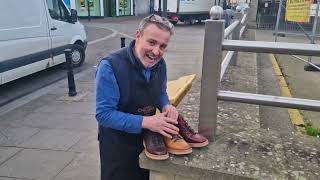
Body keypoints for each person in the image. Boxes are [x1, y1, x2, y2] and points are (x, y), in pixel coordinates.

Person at [95, 14, 179, 180]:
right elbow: (104, 114)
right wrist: (147, 122)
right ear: (138, 35)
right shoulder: (110, 66)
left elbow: (160, 91)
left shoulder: (160, 64)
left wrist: (166, 105)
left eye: (163, 46)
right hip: (117, 144)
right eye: (152, 42)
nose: (156, 52)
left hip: (147, 140)